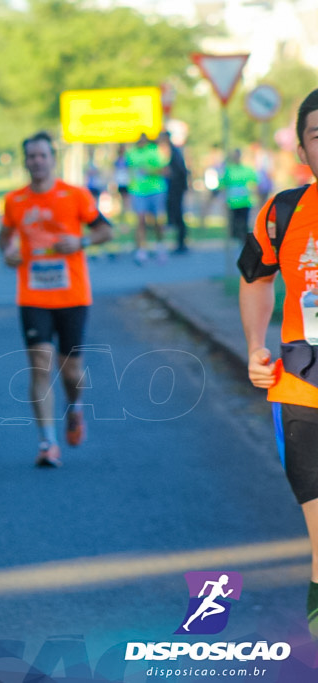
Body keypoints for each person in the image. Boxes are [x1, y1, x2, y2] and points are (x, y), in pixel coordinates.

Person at [238, 87, 318, 639]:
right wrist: (254, 346)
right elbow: (254, 277)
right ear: (304, 148)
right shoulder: (284, 210)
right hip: (302, 388)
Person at [0, 131, 113, 468]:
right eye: (30, 156)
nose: (36, 161)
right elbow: (4, 237)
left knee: (72, 371)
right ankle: (47, 442)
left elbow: (106, 230)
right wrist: (8, 253)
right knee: (40, 367)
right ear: (25, 161)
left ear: (52, 159)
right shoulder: (15, 201)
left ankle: (74, 408)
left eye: (41, 155)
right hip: (32, 295)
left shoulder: (75, 195)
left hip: (73, 295)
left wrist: (80, 243)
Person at [127, 133, 169, 264]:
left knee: (157, 220)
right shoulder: (131, 153)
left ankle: (160, 247)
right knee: (140, 220)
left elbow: (165, 171)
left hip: (155, 189)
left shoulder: (154, 151)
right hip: (138, 191)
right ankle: (141, 250)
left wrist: (149, 171)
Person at [160, 130, 190, 254]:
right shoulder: (171, 151)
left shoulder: (173, 151)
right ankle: (180, 242)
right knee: (176, 215)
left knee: (178, 215)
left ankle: (181, 243)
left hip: (175, 189)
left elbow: (179, 171)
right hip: (175, 188)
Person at [221, 148, 258, 243]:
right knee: (235, 221)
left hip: (244, 201)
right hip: (233, 202)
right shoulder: (229, 170)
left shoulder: (247, 170)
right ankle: (237, 237)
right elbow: (223, 184)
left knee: (244, 221)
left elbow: (254, 183)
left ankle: (244, 239)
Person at [113, 144, 131, 219]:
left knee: (126, 200)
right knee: (120, 199)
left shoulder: (128, 159)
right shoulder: (117, 160)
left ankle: (126, 215)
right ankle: (121, 215)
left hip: (126, 181)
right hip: (120, 182)